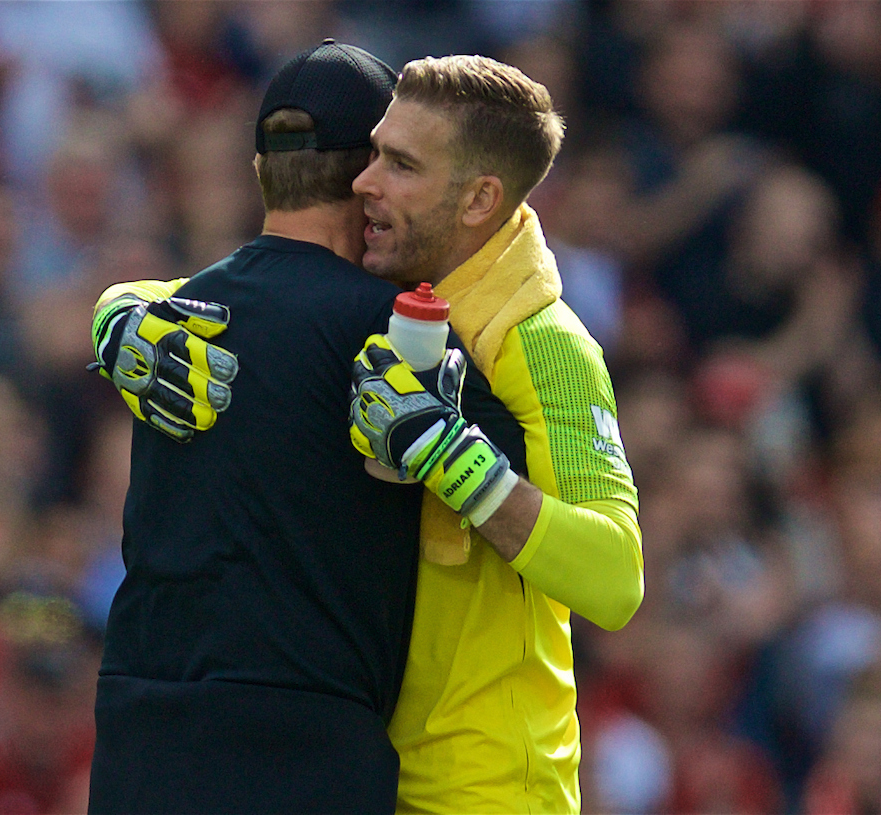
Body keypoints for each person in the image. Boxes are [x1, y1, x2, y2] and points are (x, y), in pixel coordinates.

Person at [95, 53, 645, 813]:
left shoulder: (543, 340)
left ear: (480, 198)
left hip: (481, 790)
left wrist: (459, 462)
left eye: (401, 164)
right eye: (374, 151)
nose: (362, 182)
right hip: (364, 774)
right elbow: (266, 286)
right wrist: (120, 312)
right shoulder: (392, 295)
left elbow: (615, 580)